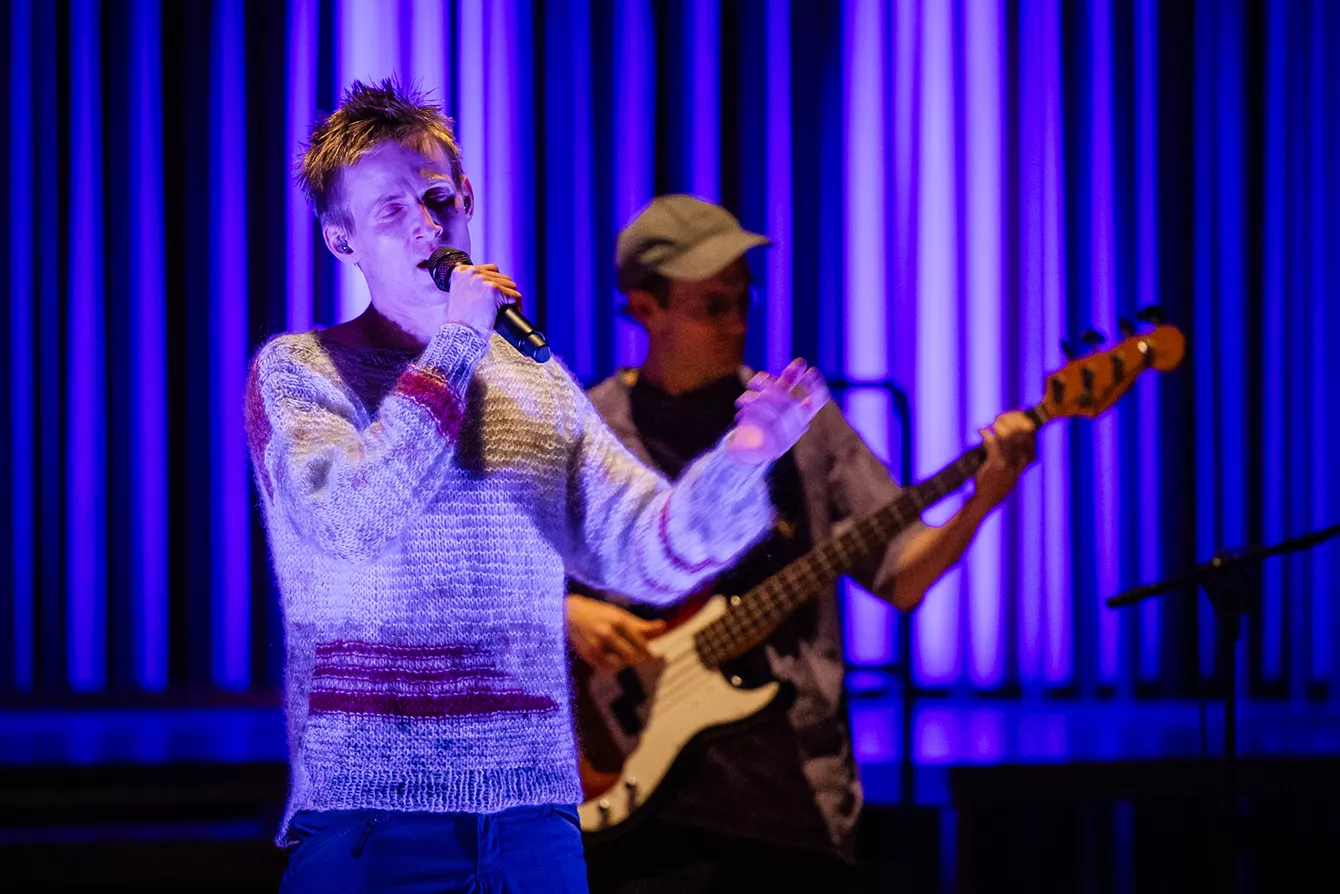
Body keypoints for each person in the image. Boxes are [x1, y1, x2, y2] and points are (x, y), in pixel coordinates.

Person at [243, 82, 830, 894]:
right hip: (376, 817)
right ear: (342, 242)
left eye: (439, 199)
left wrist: (742, 458)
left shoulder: (533, 382)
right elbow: (349, 520)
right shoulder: (302, 371)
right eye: (390, 211)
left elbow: (645, 547)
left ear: (468, 200)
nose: (427, 227)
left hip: (533, 817)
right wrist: (458, 342)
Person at [567, 195, 1038, 893]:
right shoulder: (590, 427)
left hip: (791, 801)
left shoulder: (800, 425)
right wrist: (567, 613)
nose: (736, 324)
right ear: (645, 309)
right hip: (629, 798)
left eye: (742, 302)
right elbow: (490, 584)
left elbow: (901, 576)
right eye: (712, 307)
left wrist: (983, 499)